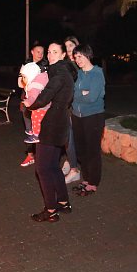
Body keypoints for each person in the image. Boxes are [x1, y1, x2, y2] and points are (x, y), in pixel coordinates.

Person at [27, 42, 74, 222]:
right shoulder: (62, 72)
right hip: (58, 124)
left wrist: (29, 104)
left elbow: (45, 95)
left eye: (56, 52)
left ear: (63, 55)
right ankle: (63, 202)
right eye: (49, 51)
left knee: (42, 169)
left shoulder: (59, 74)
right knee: (53, 166)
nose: (51, 55)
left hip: (51, 125)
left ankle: (51, 210)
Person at [70, 44, 106, 197]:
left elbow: (92, 98)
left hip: (93, 117)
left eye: (80, 56)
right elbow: (70, 94)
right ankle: (86, 178)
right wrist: (81, 92)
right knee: (81, 150)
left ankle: (93, 182)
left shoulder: (97, 74)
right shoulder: (78, 74)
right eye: (75, 57)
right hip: (77, 116)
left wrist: (78, 93)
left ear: (88, 55)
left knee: (92, 150)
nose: (78, 60)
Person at [20, 42, 47, 167]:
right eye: (37, 51)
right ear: (32, 52)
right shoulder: (26, 65)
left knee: (41, 130)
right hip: (28, 101)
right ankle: (30, 155)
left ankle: (42, 157)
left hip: (42, 104)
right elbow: (20, 82)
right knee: (30, 130)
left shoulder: (45, 66)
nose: (40, 54)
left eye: (42, 52)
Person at [61, 35, 81, 183]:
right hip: (67, 106)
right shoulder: (66, 64)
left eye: (71, 46)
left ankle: (74, 168)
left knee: (72, 138)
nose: (68, 49)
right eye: (66, 46)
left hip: (80, 107)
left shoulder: (81, 63)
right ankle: (71, 163)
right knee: (68, 137)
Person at [20, 62, 49, 144]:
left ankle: (36, 135)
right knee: (34, 118)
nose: (23, 79)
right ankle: (34, 131)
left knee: (36, 119)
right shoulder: (36, 81)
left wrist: (28, 102)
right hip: (40, 107)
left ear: (31, 74)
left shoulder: (34, 85)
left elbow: (33, 96)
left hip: (41, 108)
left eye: (24, 77)